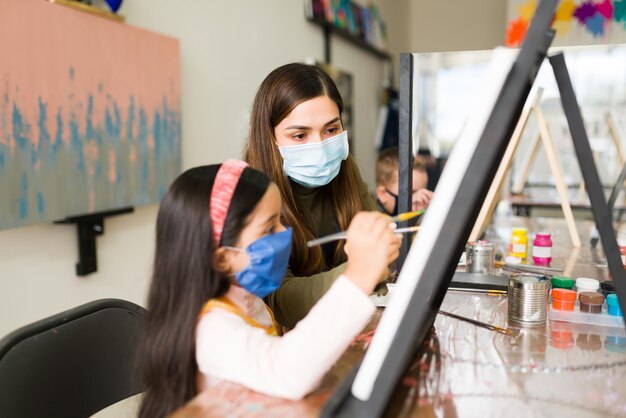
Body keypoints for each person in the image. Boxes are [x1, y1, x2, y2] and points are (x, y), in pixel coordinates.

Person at [136, 160, 400, 417]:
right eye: (269, 227)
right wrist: (358, 275)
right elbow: (286, 372)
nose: (283, 233)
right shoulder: (210, 328)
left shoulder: (247, 301)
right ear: (222, 258)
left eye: (279, 221)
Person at [245, 63, 396, 328]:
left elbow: (381, 251)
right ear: (269, 138)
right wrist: (358, 272)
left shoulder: (346, 175)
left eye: (331, 130)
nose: (320, 146)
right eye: (300, 135)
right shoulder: (251, 196)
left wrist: (383, 243)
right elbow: (279, 303)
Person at [375, 146, 434, 216]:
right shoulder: (372, 223)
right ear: (383, 194)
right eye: (410, 193)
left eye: (423, 192)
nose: (419, 197)